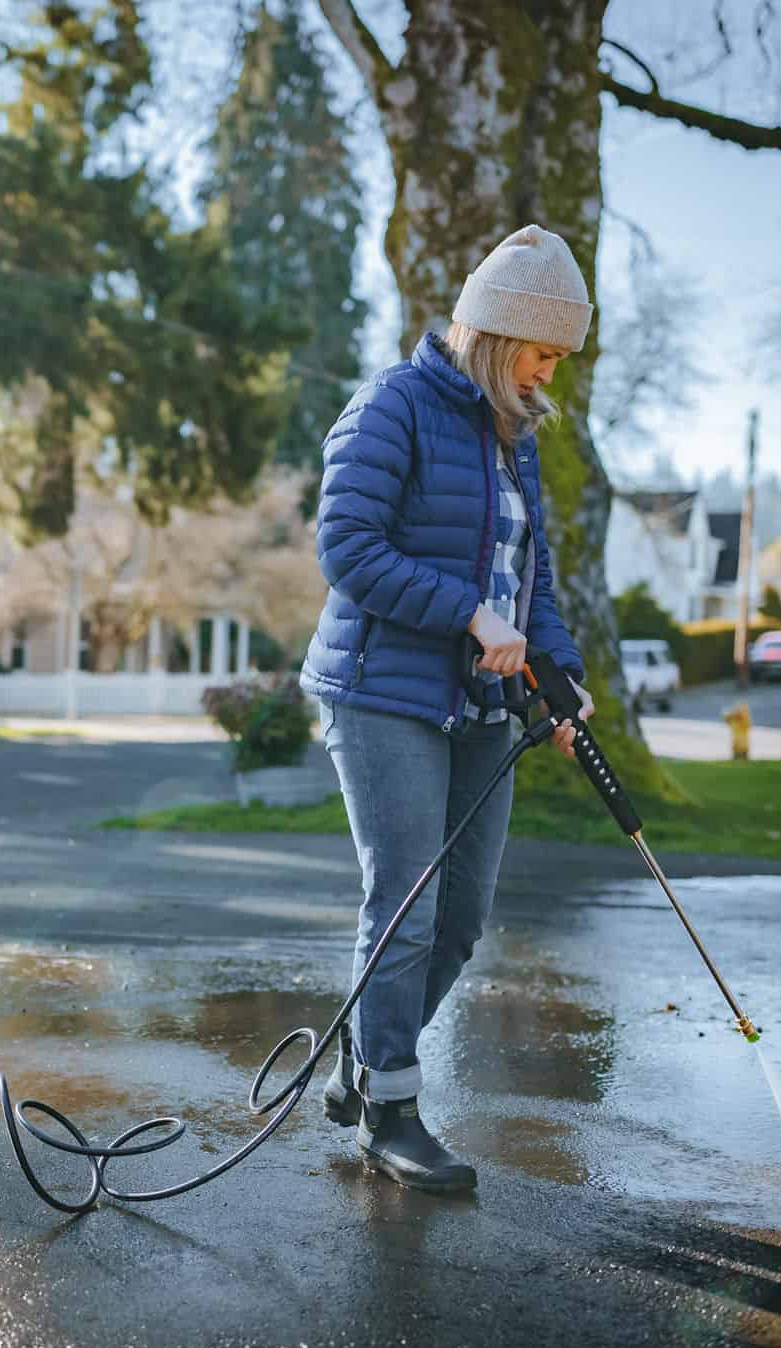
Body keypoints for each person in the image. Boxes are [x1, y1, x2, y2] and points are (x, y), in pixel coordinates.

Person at [300, 224, 595, 1194]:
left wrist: (555, 673)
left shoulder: (514, 437)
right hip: (382, 690)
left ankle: (363, 1053)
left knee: (460, 916)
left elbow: (529, 577)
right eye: (541, 353)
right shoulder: (391, 406)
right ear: (496, 337)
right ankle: (387, 1105)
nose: (548, 374)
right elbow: (346, 548)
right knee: (406, 903)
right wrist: (465, 613)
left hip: (480, 704)